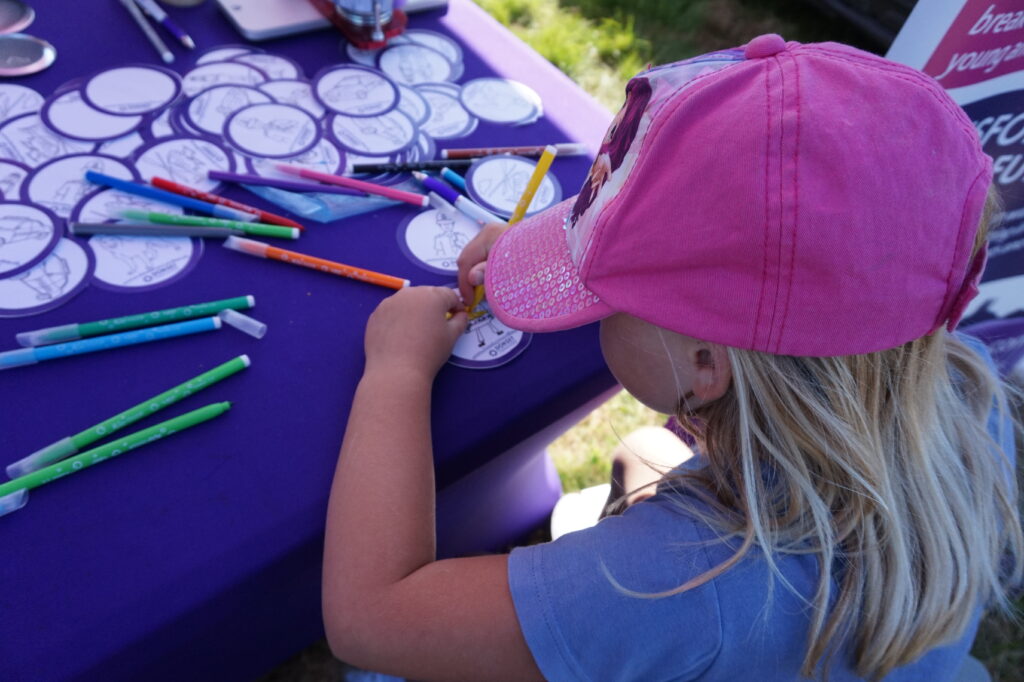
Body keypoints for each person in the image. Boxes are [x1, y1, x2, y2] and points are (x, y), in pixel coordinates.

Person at [321, 34, 1024, 681]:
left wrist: (396, 373)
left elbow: (372, 617)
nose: (591, 303)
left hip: (708, 618)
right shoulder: (961, 384)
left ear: (707, 365)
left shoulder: (674, 583)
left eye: (604, 295)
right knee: (641, 455)